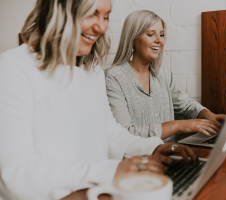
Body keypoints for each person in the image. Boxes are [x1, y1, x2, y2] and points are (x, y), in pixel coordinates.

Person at [0, 1, 196, 200]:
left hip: (97, 193)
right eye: (92, 14)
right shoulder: (15, 67)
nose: (102, 27)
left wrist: (152, 148)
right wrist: (110, 171)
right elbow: (15, 172)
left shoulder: (92, 71)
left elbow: (110, 133)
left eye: (105, 16)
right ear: (59, 10)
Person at [105, 10, 226, 142]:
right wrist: (178, 125)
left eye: (161, 35)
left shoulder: (164, 74)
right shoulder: (113, 78)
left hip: (171, 154)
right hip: (140, 159)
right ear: (133, 38)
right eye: (151, 34)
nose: (159, 40)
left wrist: (209, 115)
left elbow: (185, 105)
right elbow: (125, 133)